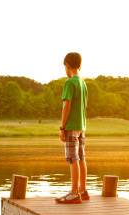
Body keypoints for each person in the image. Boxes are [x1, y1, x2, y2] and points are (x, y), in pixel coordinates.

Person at [55, 52, 88, 204]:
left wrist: (62, 127)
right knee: (81, 158)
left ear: (67, 65)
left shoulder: (70, 83)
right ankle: (83, 190)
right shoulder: (82, 82)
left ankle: (74, 193)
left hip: (71, 126)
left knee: (72, 158)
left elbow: (66, 106)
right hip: (81, 126)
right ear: (79, 65)